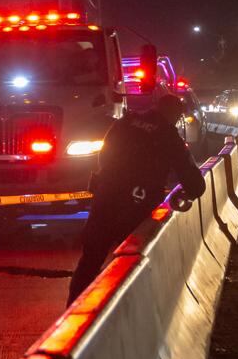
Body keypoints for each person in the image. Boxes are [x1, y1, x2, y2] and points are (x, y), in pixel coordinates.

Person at [67, 94, 206, 304]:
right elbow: (193, 181)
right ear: (174, 114)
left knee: (89, 261)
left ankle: (74, 311)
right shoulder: (168, 136)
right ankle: (120, 311)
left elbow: (104, 155)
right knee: (132, 264)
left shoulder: (125, 122)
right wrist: (184, 193)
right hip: (135, 208)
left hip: (105, 199)